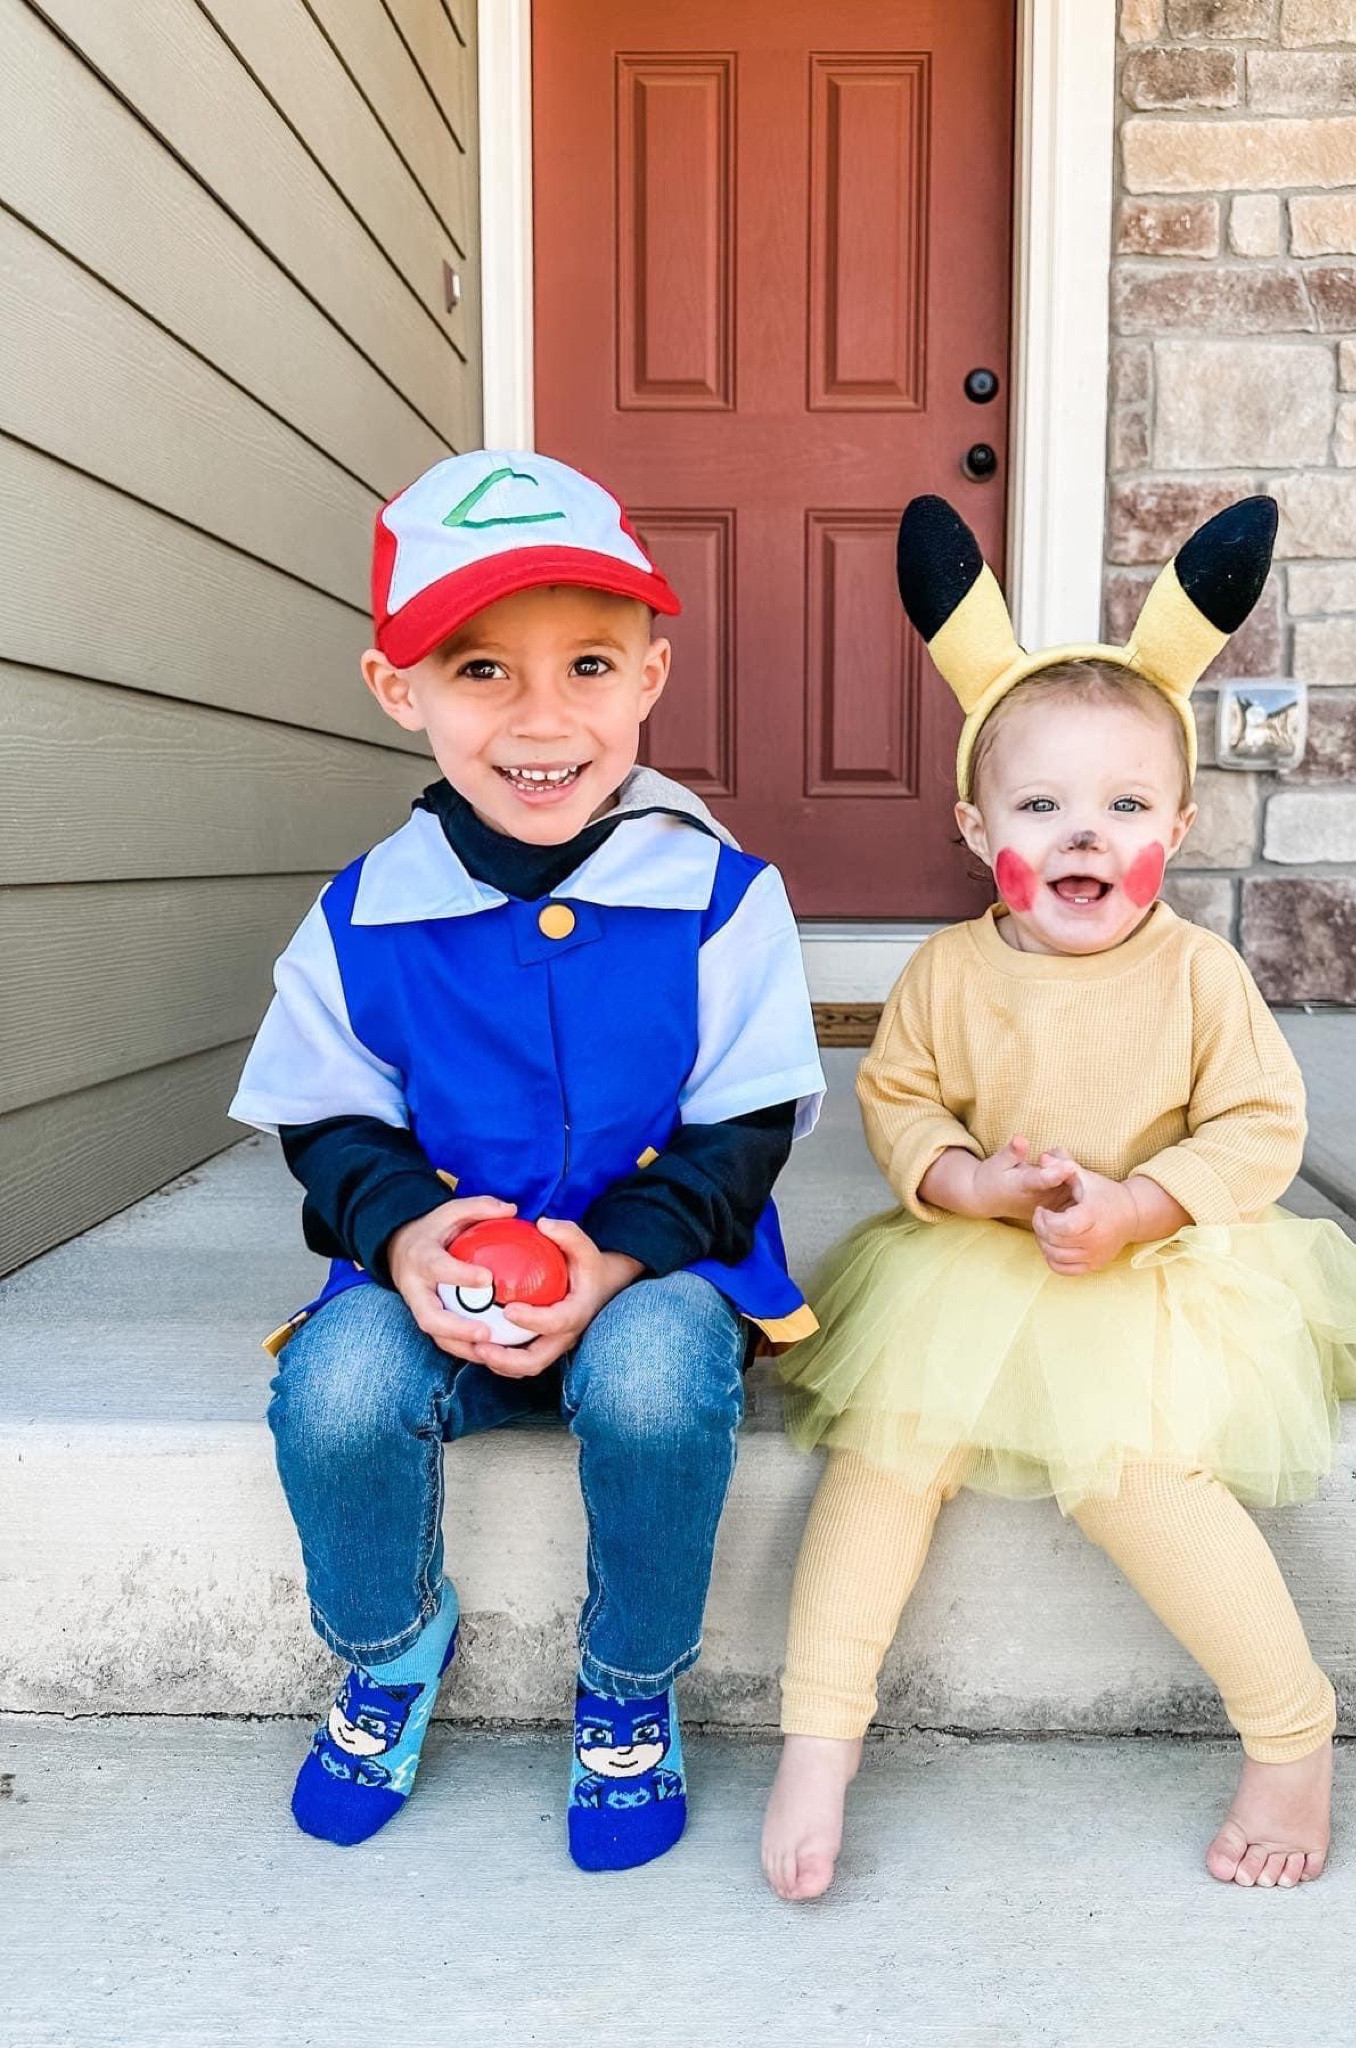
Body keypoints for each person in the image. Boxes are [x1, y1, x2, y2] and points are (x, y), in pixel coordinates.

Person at [760, 494, 1356, 1901]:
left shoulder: (1193, 975)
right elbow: (902, 1102)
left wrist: (1143, 1204)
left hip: (1149, 1272)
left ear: (1176, 820)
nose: (1083, 835)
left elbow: (1257, 1125)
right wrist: (963, 1178)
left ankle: (1291, 1731)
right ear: (971, 819)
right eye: (1040, 804)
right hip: (979, 1260)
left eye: (1123, 805)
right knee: (883, 1457)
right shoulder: (942, 972)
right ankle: (818, 1731)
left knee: (1134, 1473)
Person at [231, 450, 824, 1872]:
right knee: (337, 1385)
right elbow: (329, 1120)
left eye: (590, 664)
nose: (543, 716)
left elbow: (744, 1130)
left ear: (651, 675)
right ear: (399, 687)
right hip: (444, 1273)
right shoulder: (367, 911)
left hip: (655, 1265)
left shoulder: (717, 898)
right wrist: (406, 1237)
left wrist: (616, 1252)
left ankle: (627, 1684)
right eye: (482, 668)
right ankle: (389, 1644)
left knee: (656, 1381)